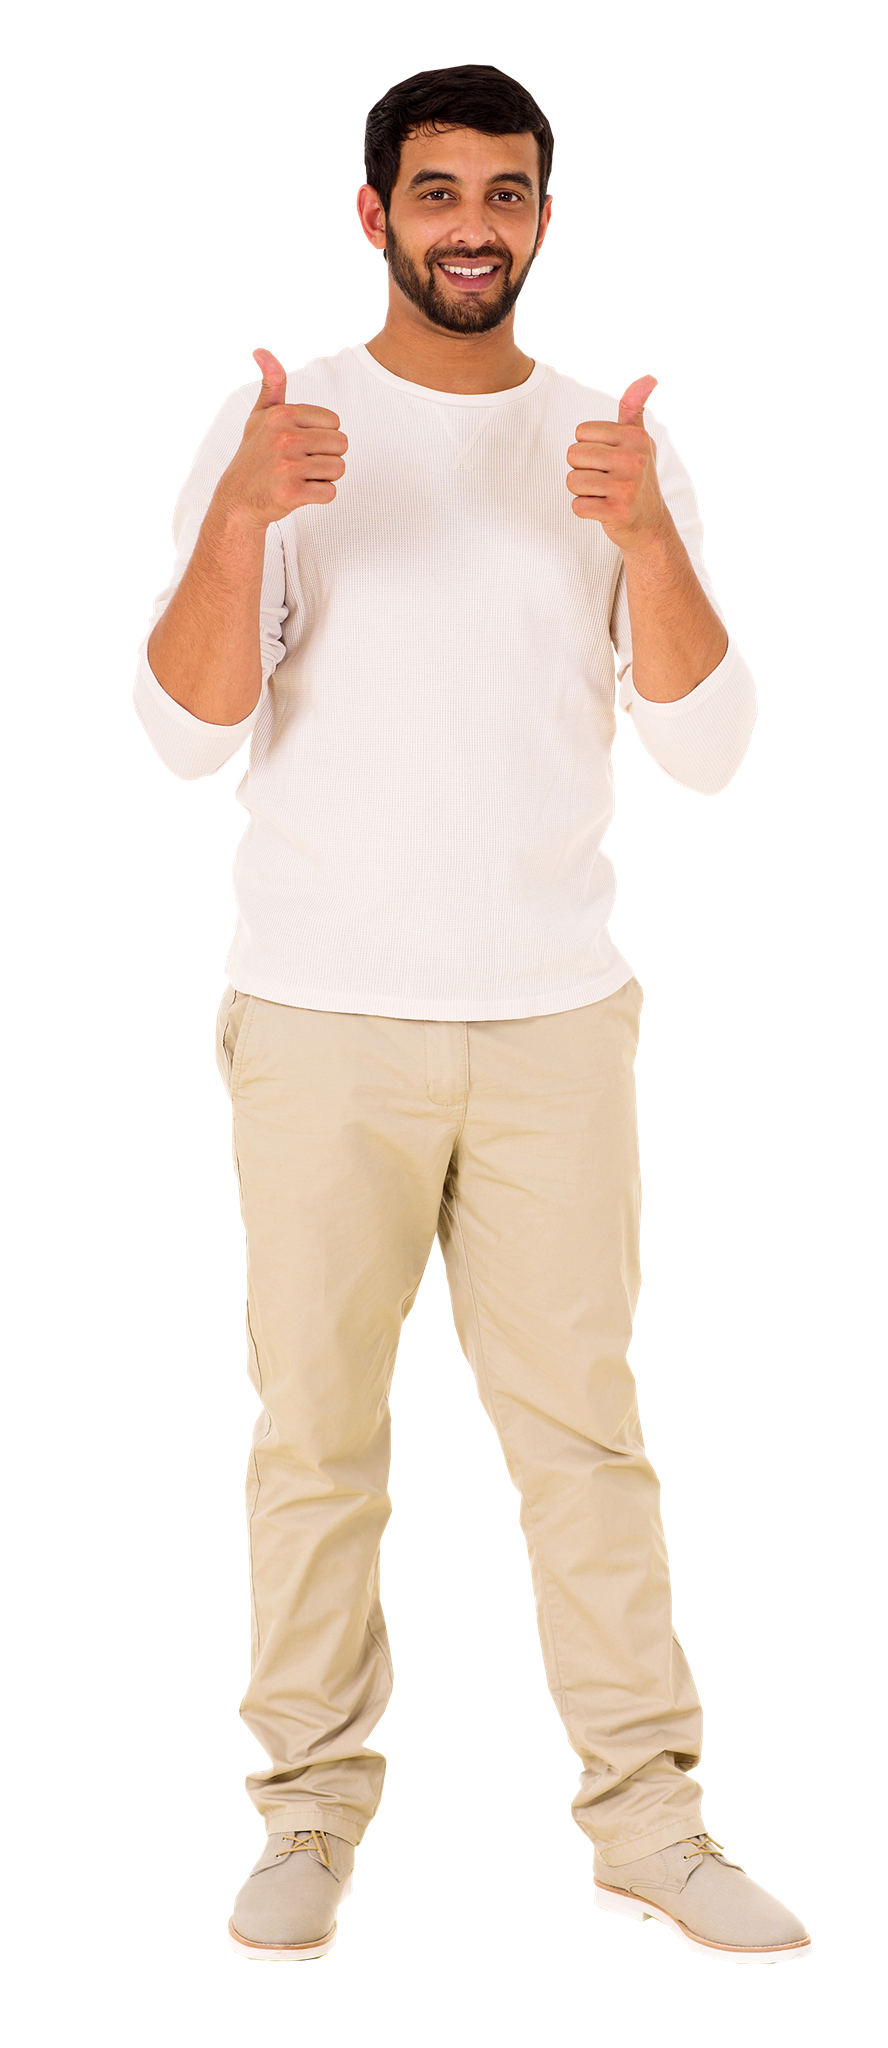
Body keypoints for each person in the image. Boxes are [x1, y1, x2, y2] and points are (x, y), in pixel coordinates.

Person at [132, 63, 811, 1967]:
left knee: (584, 1440)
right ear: (375, 217)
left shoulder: (613, 444)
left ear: (542, 219)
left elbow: (710, 754)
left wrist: (651, 541)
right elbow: (180, 735)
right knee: (314, 1437)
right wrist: (242, 519)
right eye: (436, 193)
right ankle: (308, 1813)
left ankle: (647, 1826)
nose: (471, 227)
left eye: (504, 194)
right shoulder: (275, 430)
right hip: (319, 1020)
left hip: (550, 1030)